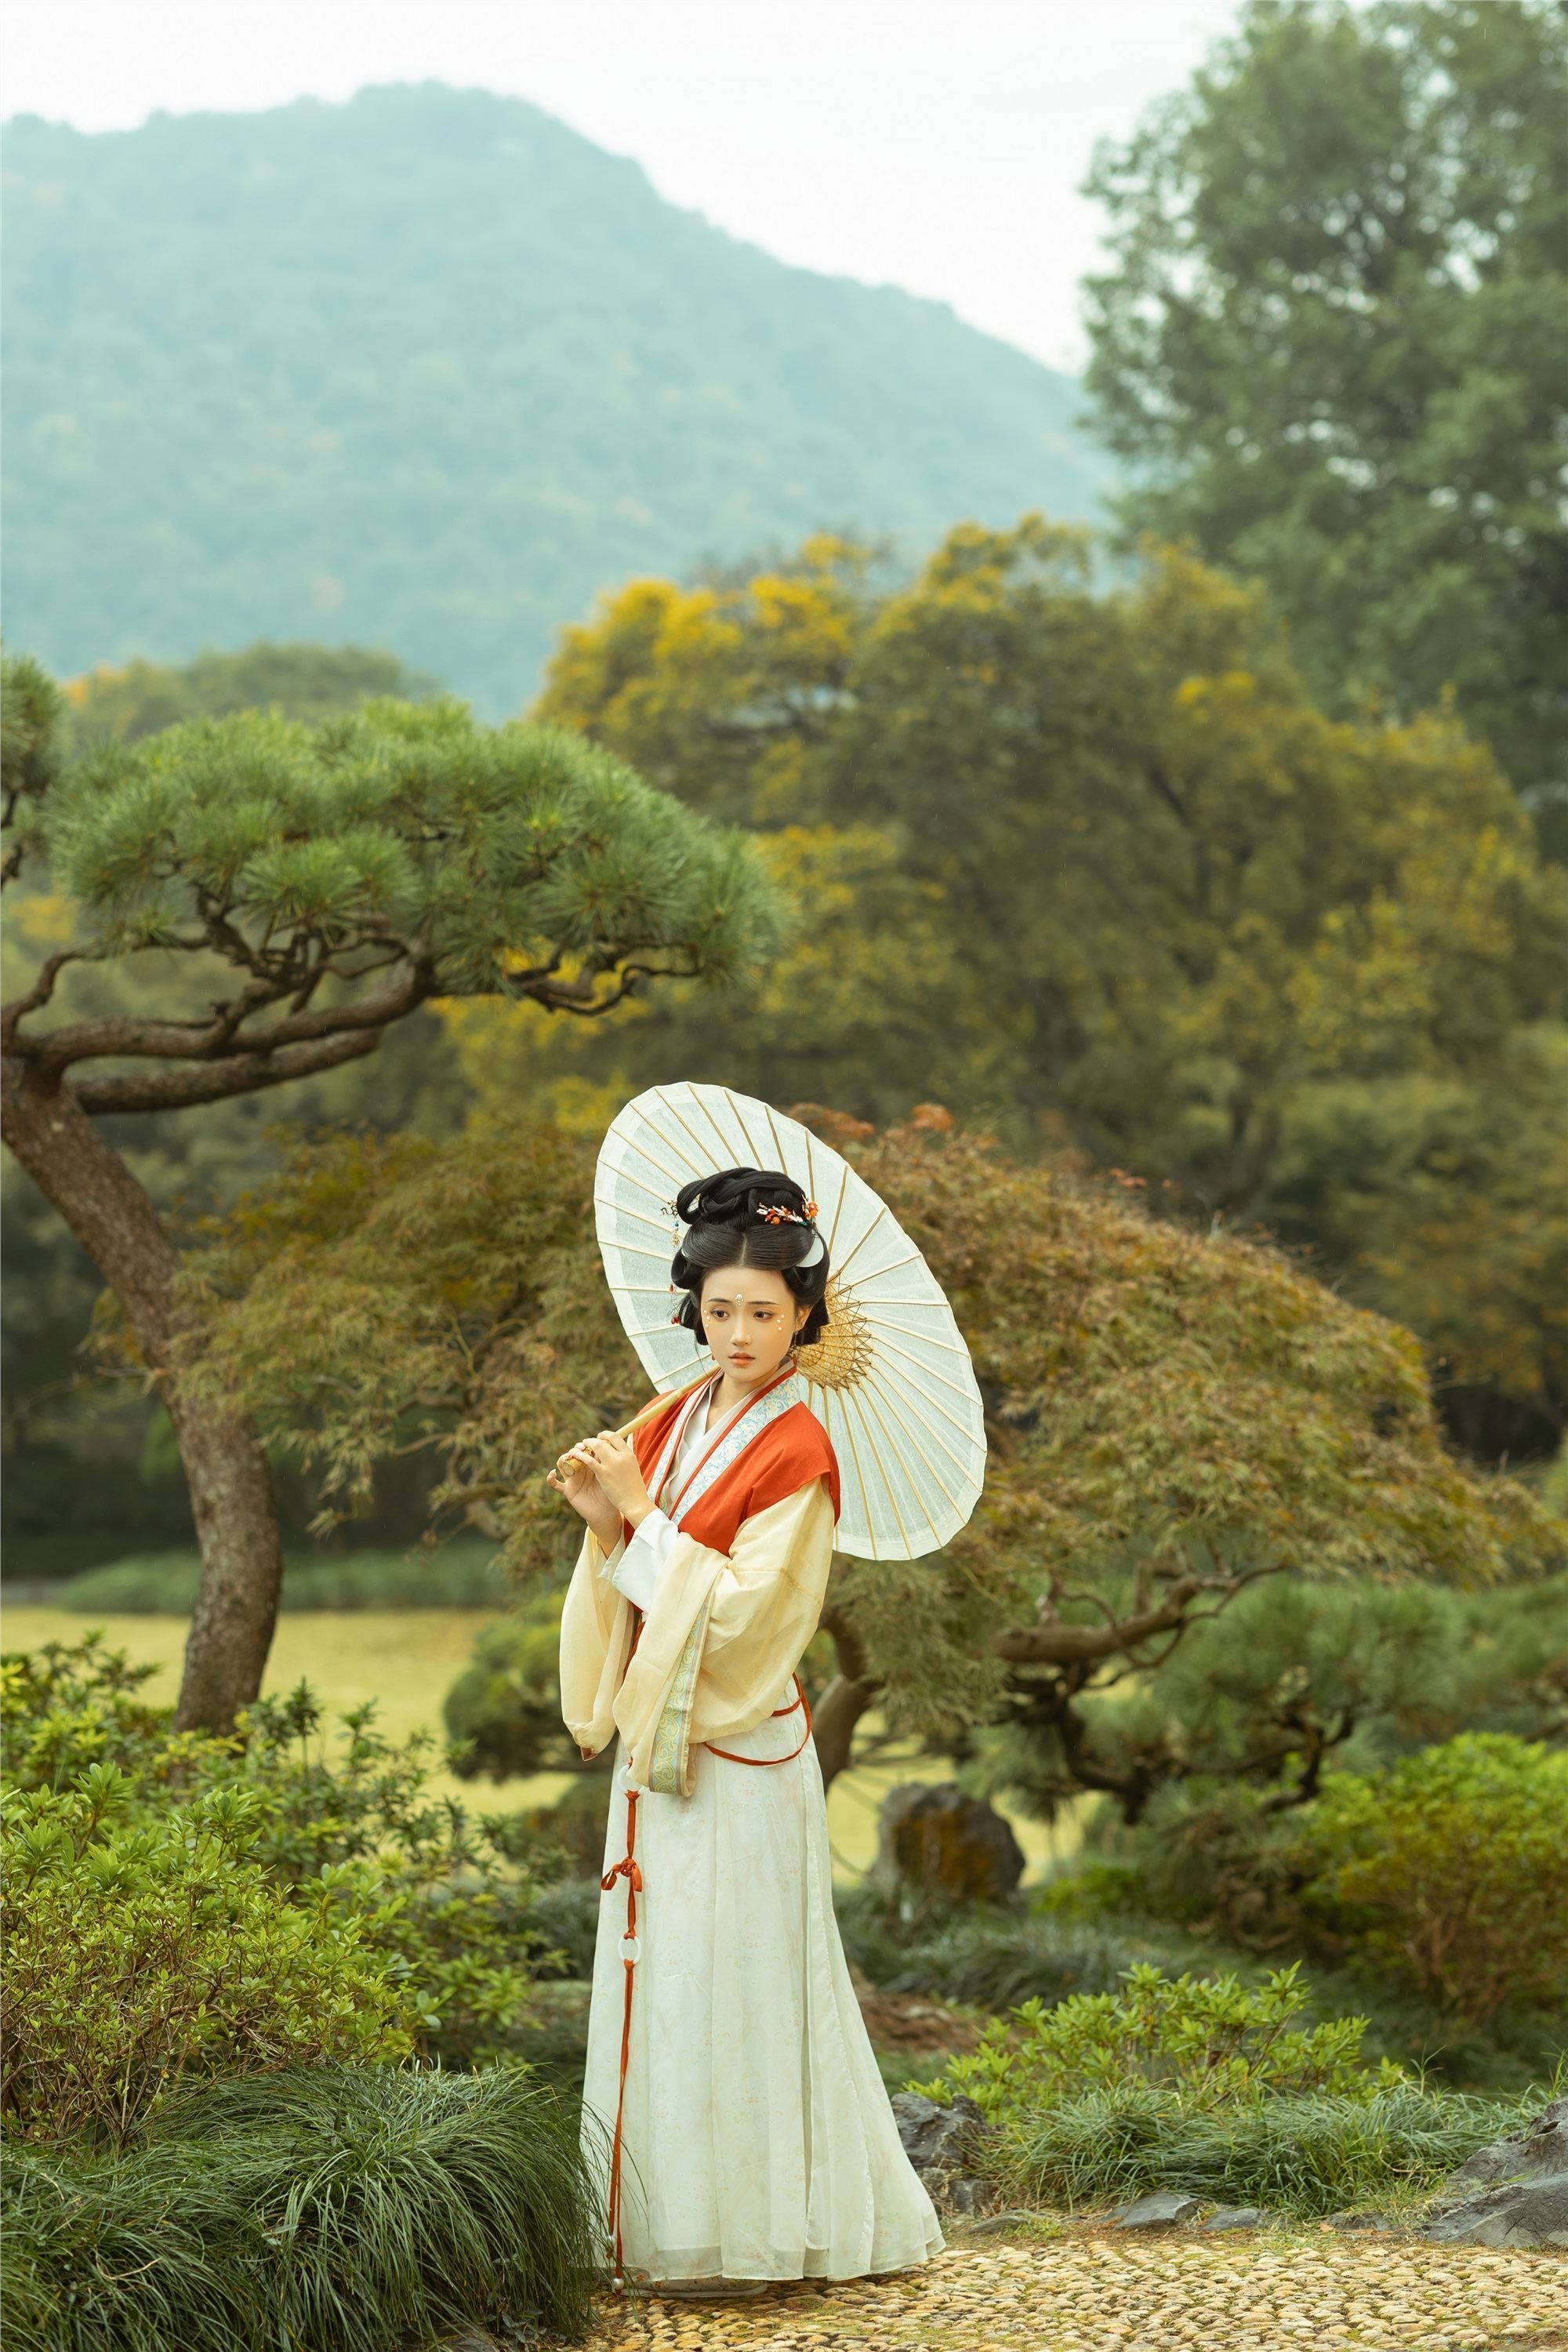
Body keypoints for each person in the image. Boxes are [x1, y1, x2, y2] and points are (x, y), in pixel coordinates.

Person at [553, 1164, 943, 2300]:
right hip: (660, 1739)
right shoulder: (672, 1418)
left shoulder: (800, 1453)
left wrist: (638, 1516)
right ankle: (653, 2227)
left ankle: (756, 2234)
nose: (738, 1334)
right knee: (664, 1972)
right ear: (692, 1306)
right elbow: (643, 1574)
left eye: (764, 1313)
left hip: (739, 1744)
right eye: (719, 1309)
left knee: (739, 1979)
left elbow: (746, 1620)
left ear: (805, 1316)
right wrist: (604, 1522)